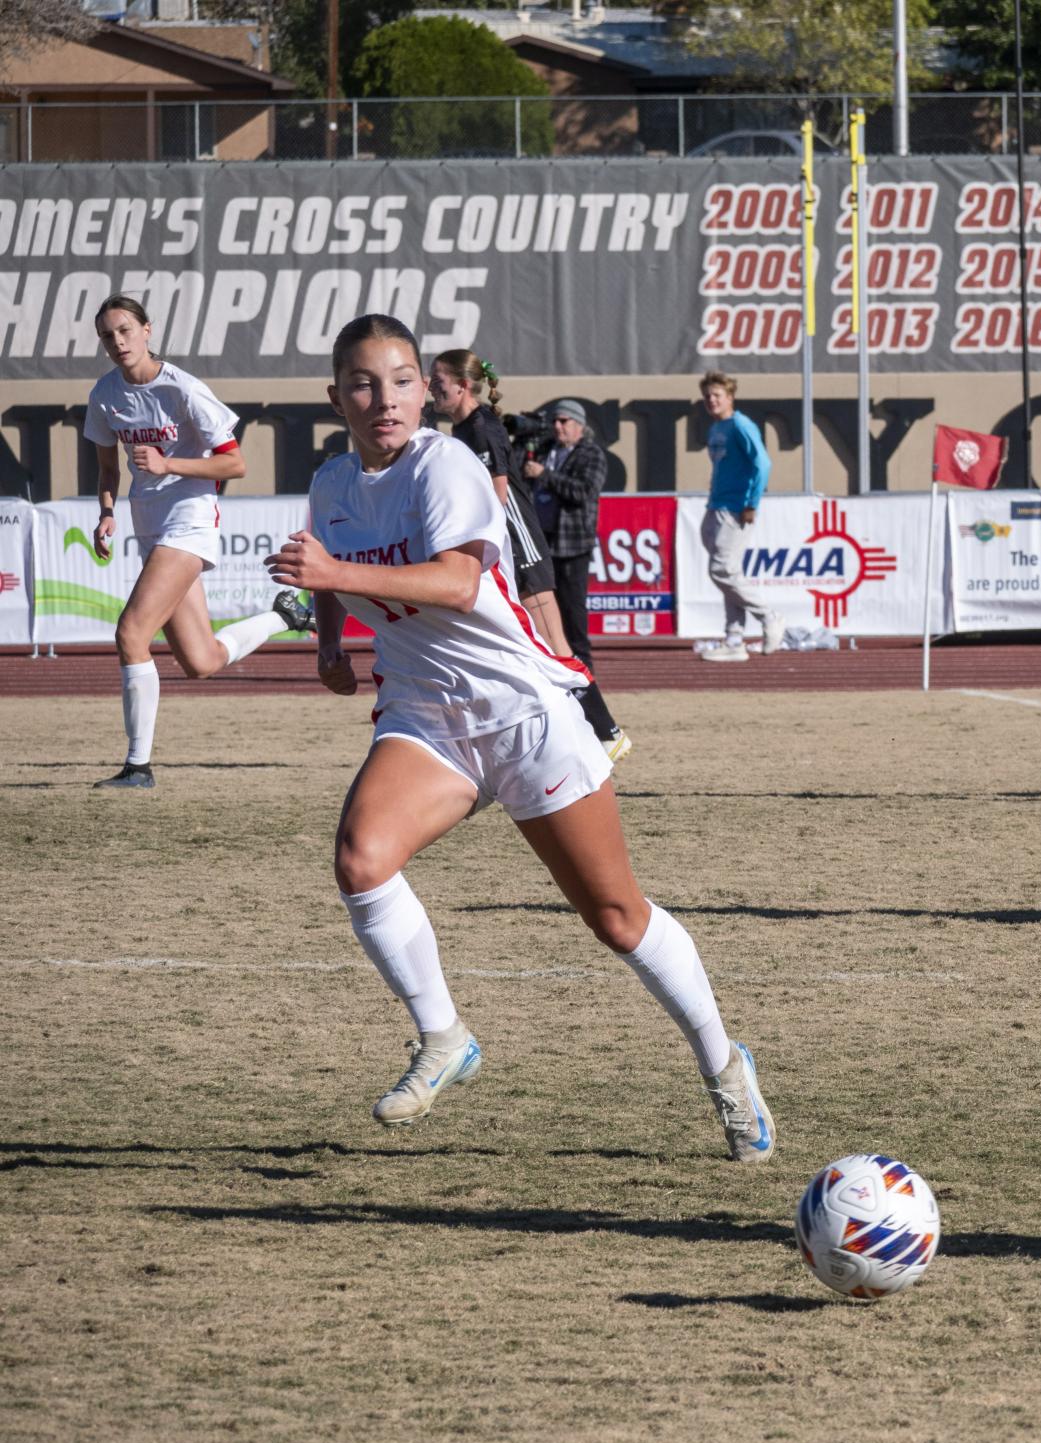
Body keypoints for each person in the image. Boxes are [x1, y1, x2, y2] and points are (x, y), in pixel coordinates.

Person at [265, 313, 774, 1157]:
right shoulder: (331, 485)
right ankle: (444, 1038)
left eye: (399, 380)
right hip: (427, 716)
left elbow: (458, 583)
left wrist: (332, 576)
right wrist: (327, 641)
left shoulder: (447, 463)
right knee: (360, 859)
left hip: (523, 711)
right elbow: (319, 559)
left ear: (427, 391)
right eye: (362, 382)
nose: (383, 398)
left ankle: (725, 1066)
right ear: (335, 397)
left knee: (615, 917)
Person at [84, 294, 313, 791]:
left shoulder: (184, 388)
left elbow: (235, 464)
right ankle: (286, 615)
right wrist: (106, 513)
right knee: (201, 661)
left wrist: (170, 465)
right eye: (107, 334)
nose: (117, 341)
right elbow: (106, 468)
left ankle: (137, 768)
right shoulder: (105, 394)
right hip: (148, 524)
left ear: (148, 329)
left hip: (189, 522)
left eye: (125, 329)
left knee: (130, 634)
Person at [428, 351, 628, 765]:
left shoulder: (481, 428)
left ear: (463, 386)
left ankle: (606, 732)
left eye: (439, 381)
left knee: (557, 647)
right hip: (507, 550)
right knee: (528, 649)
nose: (432, 389)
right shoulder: (465, 429)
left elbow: (497, 495)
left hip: (522, 550)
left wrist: (481, 546)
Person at [523, 398, 629, 762]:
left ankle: (587, 690)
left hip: (573, 547)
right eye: (554, 421)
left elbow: (583, 492)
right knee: (549, 629)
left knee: (574, 624)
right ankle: (562, 691)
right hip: (544, 547)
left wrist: (545, 476)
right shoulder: (546, 449)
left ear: (580, 424)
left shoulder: (592, 454)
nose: (557, 427)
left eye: (564, 421)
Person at [697, 370, 781, 663]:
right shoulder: (715, 428)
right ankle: (734, 638)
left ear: (730, 397)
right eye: (707, 395)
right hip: (716, 506)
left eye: (717, 395)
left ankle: (769, 617)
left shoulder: (741, 425)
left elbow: (763, 464)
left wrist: (751, 503)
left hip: (736, 508)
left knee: (721, 571)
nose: (711, 400)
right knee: (728, 574)